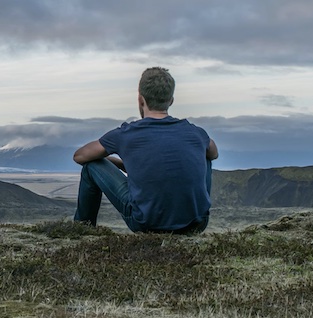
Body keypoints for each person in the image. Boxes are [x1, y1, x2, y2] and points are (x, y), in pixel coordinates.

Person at [72, 67, 218, 234]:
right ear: (171, 100)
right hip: (197, 223)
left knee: (91, 167)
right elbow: (214, 153)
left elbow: (80, 156)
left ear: (141, 99)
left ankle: (81, 230)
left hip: (146, 223)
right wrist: (125, 164)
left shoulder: (126, 134)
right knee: (206, 156)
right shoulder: (196, 133)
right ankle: (192, 213)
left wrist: (111, 161)